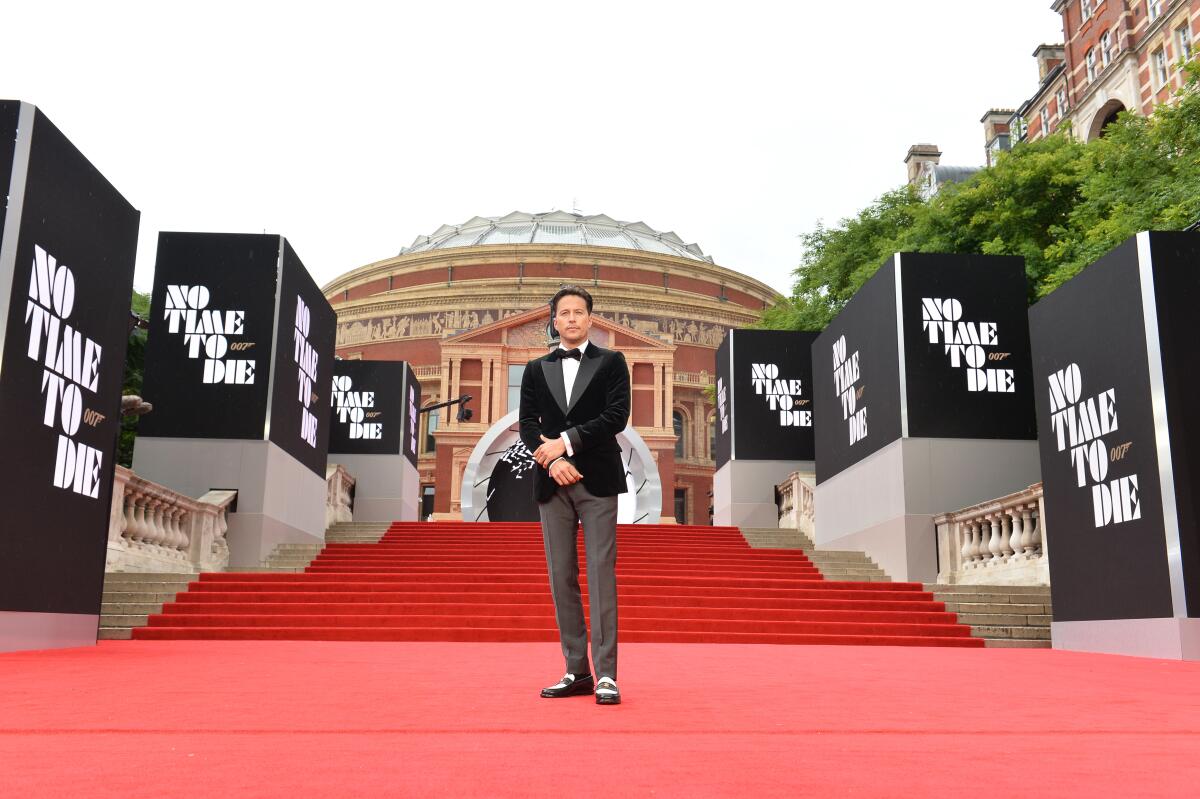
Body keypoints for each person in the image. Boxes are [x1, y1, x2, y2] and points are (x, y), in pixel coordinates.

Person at [519, 286, 630, 706]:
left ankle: (607, 675)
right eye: (563, 313)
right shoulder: (535, 368)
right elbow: (528, 423)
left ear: (590, 320)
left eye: (578, 312)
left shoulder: (611, 362)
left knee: (601, 574)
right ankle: (576, 668)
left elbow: (616, 416)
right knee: (560, 575)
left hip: (597, 477)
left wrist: (565, 444)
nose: (570, 319)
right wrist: (550, 462)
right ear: (554, 319)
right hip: (552, 482)